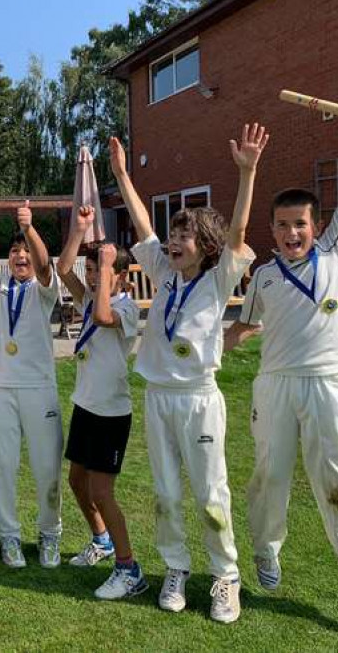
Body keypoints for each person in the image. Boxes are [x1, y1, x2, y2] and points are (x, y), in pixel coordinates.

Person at [225, 108, 338, 618]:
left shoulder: (335, 251)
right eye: (285, 225)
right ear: (272, 229)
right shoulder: (265, 277)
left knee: (336, 480)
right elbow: (241, 329)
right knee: (270, 476)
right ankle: (267, 550)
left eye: (302, 224)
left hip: (327, 385)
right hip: (275, 387)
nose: (294, 232)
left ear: (317, 227)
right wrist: (205, 344)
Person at [112, 126, 266, 623]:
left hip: (199, 398)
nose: (175, 242)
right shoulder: (163, 272)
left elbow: (240, 231)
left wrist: (247, 171)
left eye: (186, 237)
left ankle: (226, 576)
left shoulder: (218, 280)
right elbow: (141, 225)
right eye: (174, 235)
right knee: (166, 491)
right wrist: (120, 173)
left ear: (206, 247)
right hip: (158, 397)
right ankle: (175, 569)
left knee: (210, 493)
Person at [57, 209, 145, 600]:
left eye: (101, 270)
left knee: (101, 491)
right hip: (86, 407)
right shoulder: (92, 295)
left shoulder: (125, 308)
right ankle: (102, 540)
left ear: (121, 277)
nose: (93, 277)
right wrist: (78, 231)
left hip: (112, 413)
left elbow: (103, 314)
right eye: (91, 270)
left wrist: (109, 271)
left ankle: (129, 570)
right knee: (77, 482)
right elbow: (62, 270)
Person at [0, 188, 62, 569]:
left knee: (46, 467)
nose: (21, 256)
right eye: (14, 251)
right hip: (2, 388)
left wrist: (29, 229)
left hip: (39, 388)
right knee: (2, 465)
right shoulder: (0, 287)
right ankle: (9, 537)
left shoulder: (44, 290)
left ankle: (49, 535)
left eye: (24, 250)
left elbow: (45, 266)